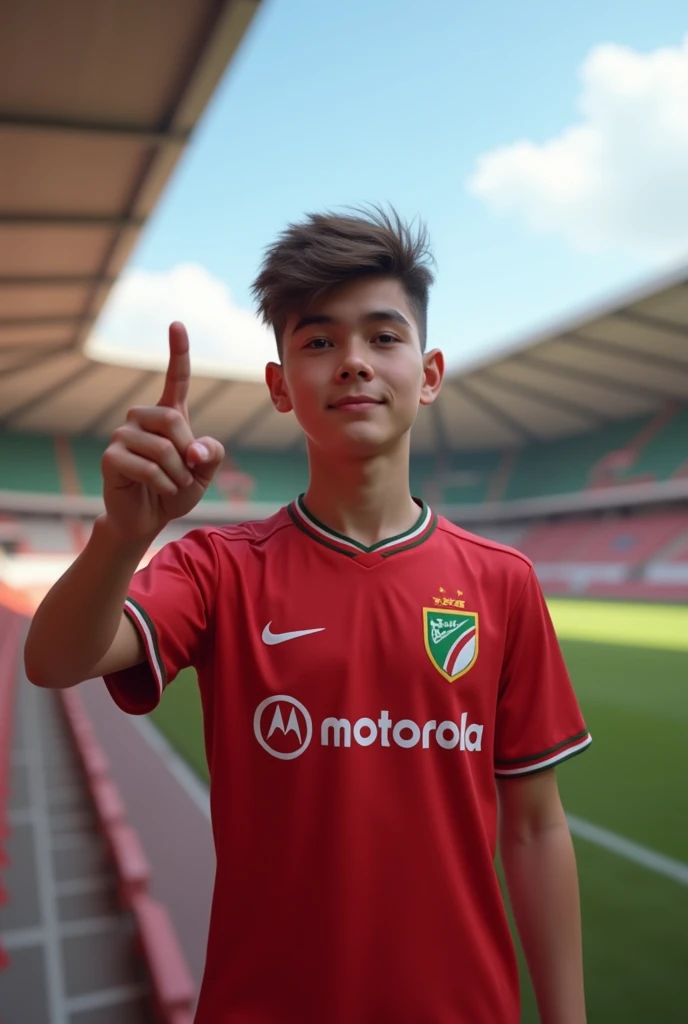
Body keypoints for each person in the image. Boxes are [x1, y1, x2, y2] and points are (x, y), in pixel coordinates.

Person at [25, 207, 591, 1023]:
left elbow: (536, 830)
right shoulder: (218, 567)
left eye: (383, 337)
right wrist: (121, 537)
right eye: (320, 342)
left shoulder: (503, 581)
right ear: (281, 387)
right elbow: (54, 659)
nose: (354, 363)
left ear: (428, 374)